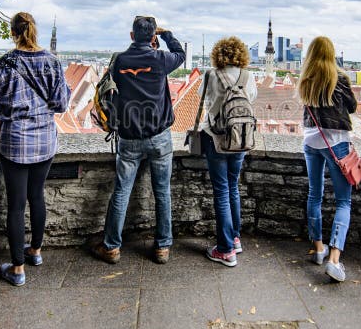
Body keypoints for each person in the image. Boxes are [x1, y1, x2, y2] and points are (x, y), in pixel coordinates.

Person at [0, 12, 71, 286]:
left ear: (13, 32)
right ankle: (35, 251)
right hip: (45, 140)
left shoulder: (1, 66)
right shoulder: (52, 63)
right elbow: (61, 105)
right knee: (37, 196)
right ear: (35, 30)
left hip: (15, 141)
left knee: (15, 205)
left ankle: (18, 269)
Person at [92, 16, 185, 265]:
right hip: (159, 136)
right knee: (162, 192)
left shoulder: (120, 60)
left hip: (130, 136)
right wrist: (166, 35)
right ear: (153, 37)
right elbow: (180, 53)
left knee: (121, 191)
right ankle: (162, 247)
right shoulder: (160, 59)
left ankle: (111, 247)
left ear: (132, 36)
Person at [298, 36, 358, 282]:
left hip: (311, 141)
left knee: (315, 194)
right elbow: (352, 107)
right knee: (343, 201)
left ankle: (318, 248)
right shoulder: (340, 78)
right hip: (336, 143)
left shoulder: (306, 79)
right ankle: (334, 259)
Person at [199, 37, 257, 267]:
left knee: (221, 191)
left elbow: (203, 100)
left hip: (216, 138)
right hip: (241, 138)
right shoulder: (248, 76)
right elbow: (251, 99)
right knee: (233, 186)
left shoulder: (212, 76)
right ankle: (235, 237)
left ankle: (225, 250)